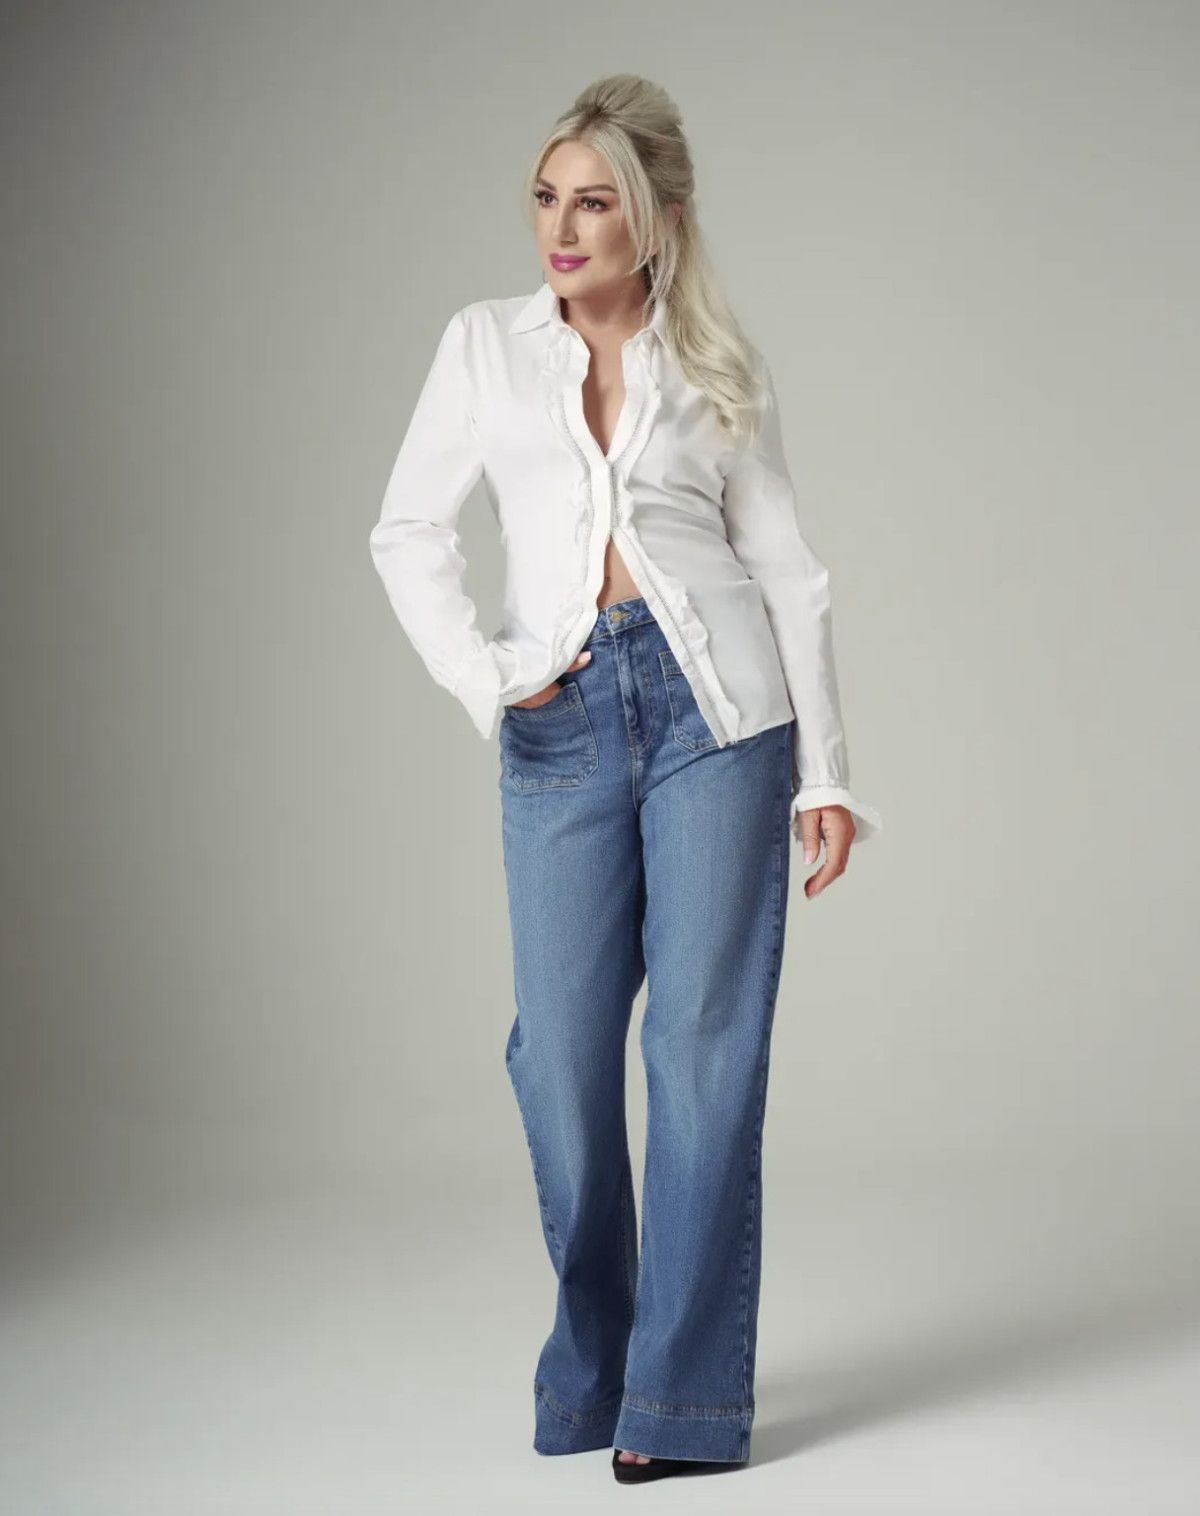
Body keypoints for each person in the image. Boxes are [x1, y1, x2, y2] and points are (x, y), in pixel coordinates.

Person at [368, 74, 882, 1485]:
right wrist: (490, 676)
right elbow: (407, 531)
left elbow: (789, 574)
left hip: (721, 717)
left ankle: (679, 1405)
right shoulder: (484, 347)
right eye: (547, 197)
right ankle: (596, 1355)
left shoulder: (717, 364)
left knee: (705, 1056)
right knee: (561, 1057)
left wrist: (826, 778)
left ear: (655, 219)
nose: (562, 226)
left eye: (595, 202)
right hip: (563, 711)